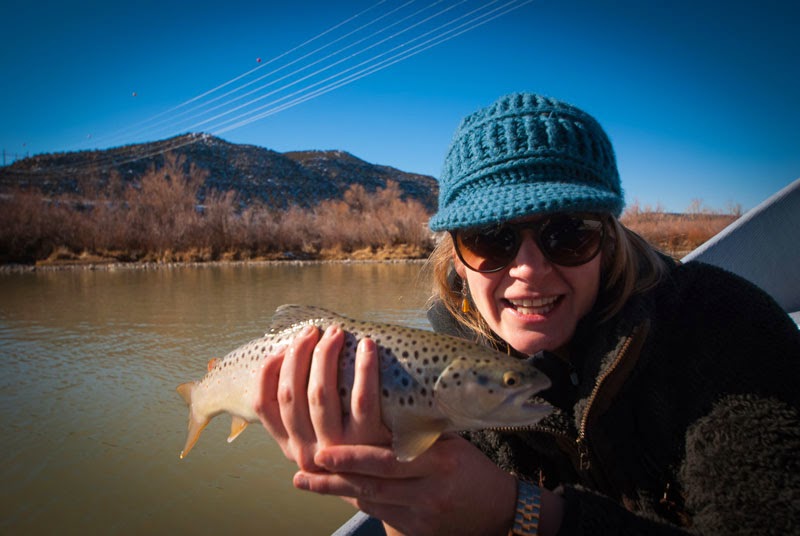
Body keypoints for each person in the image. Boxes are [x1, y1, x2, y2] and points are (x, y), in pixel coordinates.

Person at [256, 93, 800, 535]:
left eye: (568, 232)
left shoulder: (728, 330)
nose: (529, 270)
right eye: (491, 239)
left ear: (609, 239)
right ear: (457, 258)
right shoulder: (434, 374)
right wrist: (396, 499)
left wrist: (524, 513)